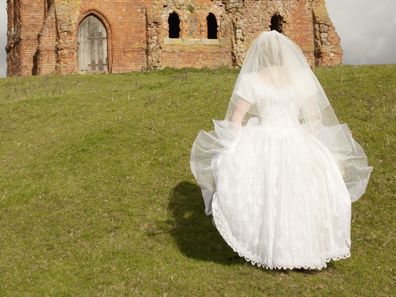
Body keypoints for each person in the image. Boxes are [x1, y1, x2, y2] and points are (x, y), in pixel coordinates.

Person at [189, 30, 373, 270]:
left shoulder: (251, 80)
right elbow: (314, 118)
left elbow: (236, 119)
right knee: (299, 194)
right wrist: (312, 139)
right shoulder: (301, 79)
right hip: (296, 138)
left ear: (260, 55)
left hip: (263, 138)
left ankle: (272, 249)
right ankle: (305, 251)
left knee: (270, 193)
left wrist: (232, 146)